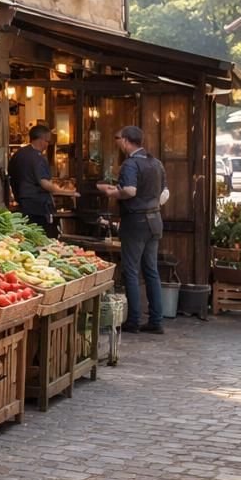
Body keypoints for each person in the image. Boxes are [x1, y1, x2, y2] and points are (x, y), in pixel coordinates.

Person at [96, 125, 167, 335]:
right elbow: (164, 191)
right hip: (155, 219)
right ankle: (156, 320)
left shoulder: (130, 164)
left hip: (136, 222)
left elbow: (130, 190)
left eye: (119, 140)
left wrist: (111, 193)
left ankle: (133, 320)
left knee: (131, 271)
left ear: (127, 141)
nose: (118, 143)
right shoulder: (156, 163)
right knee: (151, 271)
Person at [8, 124, 76, 235]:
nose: (47, 145)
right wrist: (67, 192)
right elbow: (44, 183)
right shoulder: (38, 158)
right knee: (42, 236)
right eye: (47, 141)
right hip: (37, 206)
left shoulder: (19, 154)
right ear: (41, 140)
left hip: (22, 202)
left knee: (27, 235)